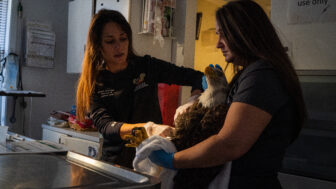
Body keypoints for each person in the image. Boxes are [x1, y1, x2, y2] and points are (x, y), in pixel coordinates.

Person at [149, 0, 307, 188]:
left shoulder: (262, 76)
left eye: (223, 35)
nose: (218, 44)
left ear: (245, 32)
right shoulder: (252, 72)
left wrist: (173, 160)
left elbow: (228, 144)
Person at [75, 9, 204, 168]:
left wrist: (193, 100)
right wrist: (148, 128)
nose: (119, 46)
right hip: (116, 163)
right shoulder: (94, 82)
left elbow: (197, 77)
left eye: (123, 39)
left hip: (152, 157)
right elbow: (106, 126)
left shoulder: (146, 66)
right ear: (98, 46)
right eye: (110, 41)